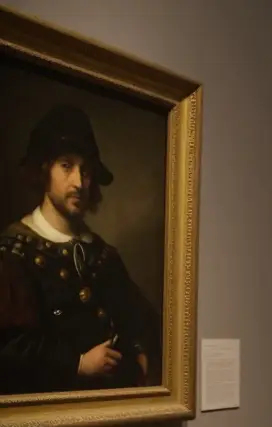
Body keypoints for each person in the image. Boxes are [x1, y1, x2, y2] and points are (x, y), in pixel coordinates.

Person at [0, 104, 161, 395]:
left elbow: (141, 321)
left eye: (85, 171)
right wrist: (78, 364)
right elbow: (10, 349)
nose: (79, 182)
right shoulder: (14, 252)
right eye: (66, 165)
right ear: (43, 169)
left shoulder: (102, 254)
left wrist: (140, 354)